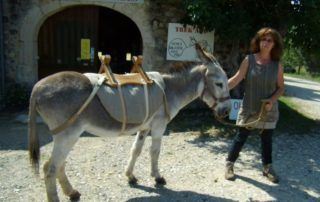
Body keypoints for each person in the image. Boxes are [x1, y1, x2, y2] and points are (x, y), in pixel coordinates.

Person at [225, 27, 285, 183]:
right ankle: (229, 165)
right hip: (249, 107)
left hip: (268, 109)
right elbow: (237, 79)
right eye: (262, 39)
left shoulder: (277, 65)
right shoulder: (249, 60)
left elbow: (281, 88)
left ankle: (267, 168)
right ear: (258, 42)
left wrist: (271, 100)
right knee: (241, 137)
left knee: (267, 139)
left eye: (269, 40)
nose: (265, 43)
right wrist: (220, 88)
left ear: (274, 44)